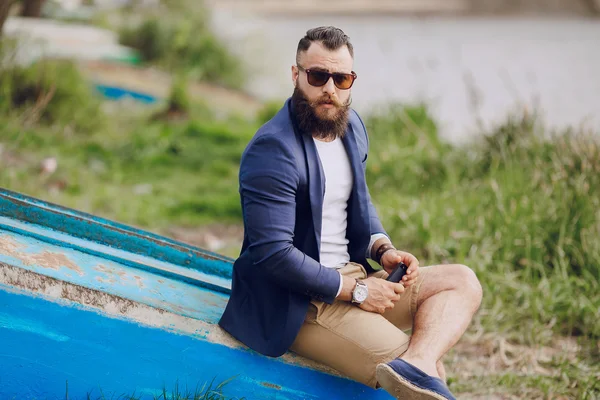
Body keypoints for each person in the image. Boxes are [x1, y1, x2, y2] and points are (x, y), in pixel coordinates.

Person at [219, 26, 483, 400]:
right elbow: (273, 254)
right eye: (318, 76)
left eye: (341, 78)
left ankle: (420, 360)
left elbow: (356, 203)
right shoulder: (272, 150)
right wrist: (357, 292)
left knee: (461, 282)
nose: (330, 89)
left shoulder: (351, 126)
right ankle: (419, 365)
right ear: (296, 75)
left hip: (358, 280)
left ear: (351, 81)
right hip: (300, 304)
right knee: (413, 377)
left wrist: (381, 248)